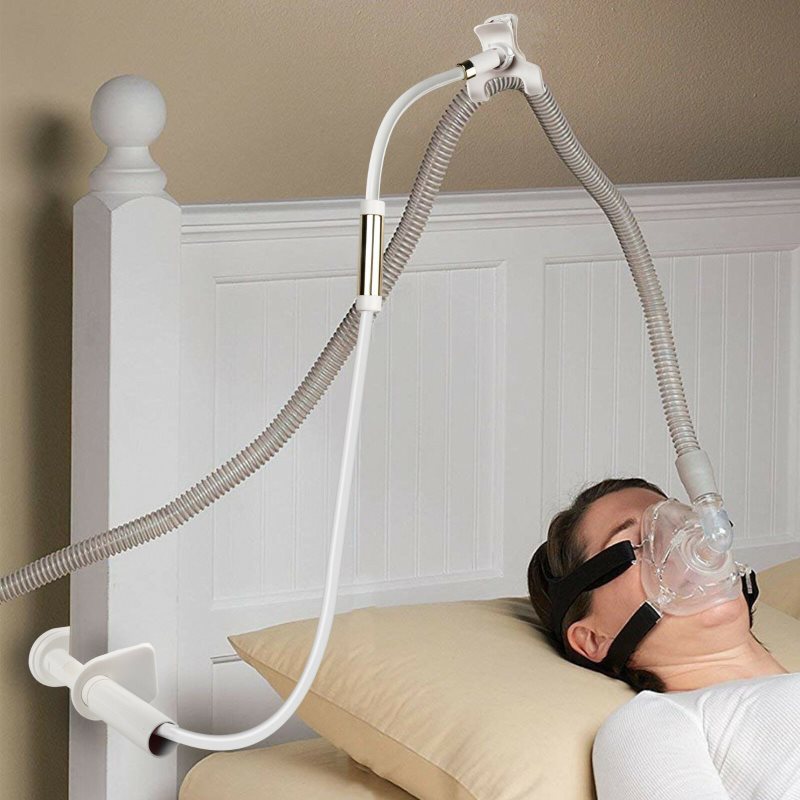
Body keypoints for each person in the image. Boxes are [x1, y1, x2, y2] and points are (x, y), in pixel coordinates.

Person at [527, 477, 799, 800]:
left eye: (681, 523)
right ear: (593, 639)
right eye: (637, 544)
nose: (680, 545)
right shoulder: (648, 725)